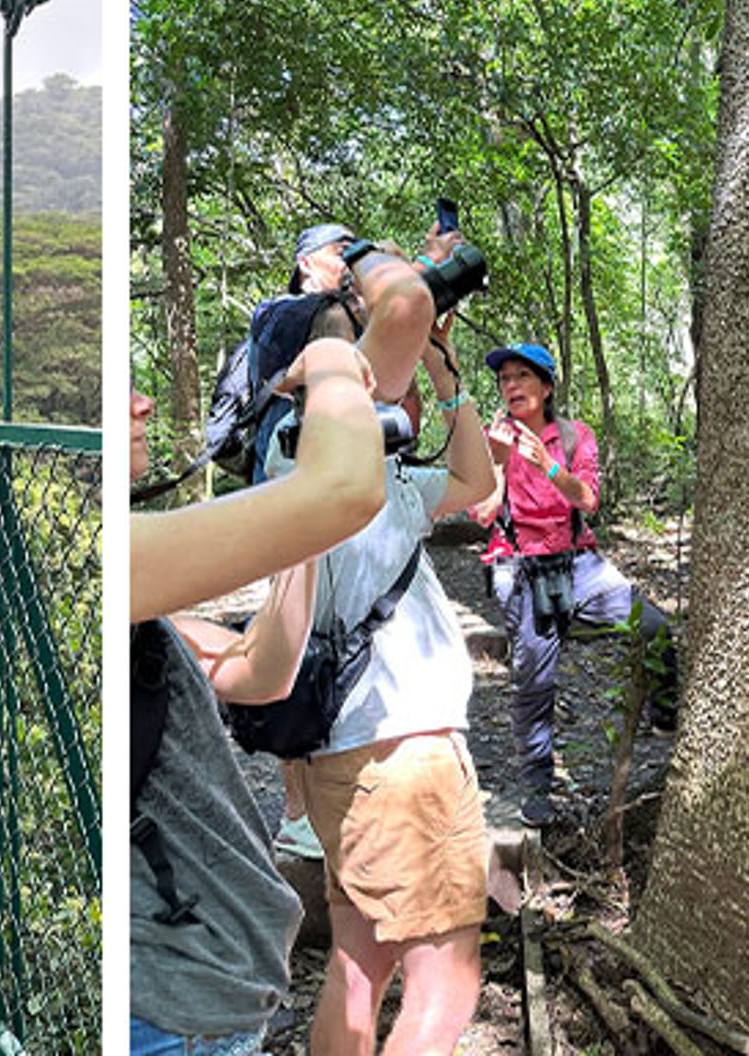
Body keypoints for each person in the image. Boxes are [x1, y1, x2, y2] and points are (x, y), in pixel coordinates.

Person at [250, 285, 496, 1055]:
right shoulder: (316, 457)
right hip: (401, 751)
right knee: (448, 978)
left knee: (363, 960)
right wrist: (402, 301)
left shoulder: (342, 470)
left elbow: (476, 484)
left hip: (349, 751)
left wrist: (447, 378)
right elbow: (404, 305)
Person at [131, 335, 388, 1056]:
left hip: (206, 999)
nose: (141, 401)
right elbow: (347, 488)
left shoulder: (142, 597)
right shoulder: (116, 550)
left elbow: (258, 671)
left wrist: (299, 538)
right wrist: (333, 357)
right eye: (121, 390)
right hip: (166, 1011)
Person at [468, 342, 678, 828]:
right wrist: (497, 463)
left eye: (523, 376)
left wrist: (547, 464)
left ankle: (664, 717)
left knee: (656, 627)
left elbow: (588, 499)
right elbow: (479, 514)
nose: (511, 385)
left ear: (546, 386)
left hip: (579, 565)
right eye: (504, 379)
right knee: (533, 680)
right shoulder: (492, 439)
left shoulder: (574, 435)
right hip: (520, 567)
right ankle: (537, 784)